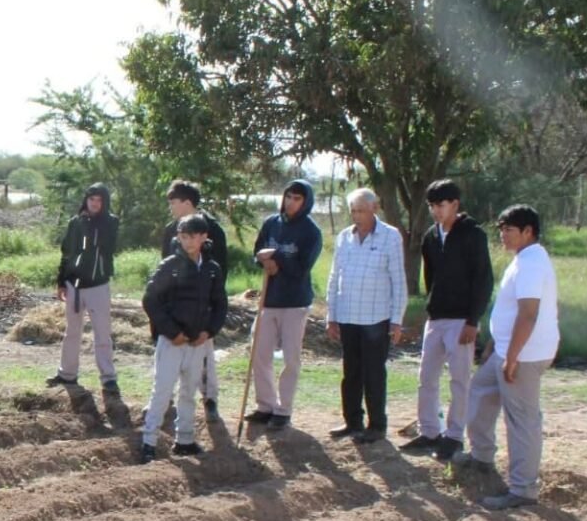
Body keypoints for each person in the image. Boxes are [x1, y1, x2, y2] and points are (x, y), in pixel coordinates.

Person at [453, 205, 559, 510]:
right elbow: (512, 310)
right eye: (501, 229)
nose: (503, 235)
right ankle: (482, 456)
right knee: (481, 392)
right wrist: (496, 346)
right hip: (507, 350)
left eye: (509, 230)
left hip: (524, 356)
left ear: (528, 232)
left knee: (522, 420)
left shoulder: (532, 264)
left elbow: (528, 314)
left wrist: (511, 357)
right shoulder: (523, 260)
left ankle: (523, 490)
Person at [402, 180, 493, 460]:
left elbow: (483, 279)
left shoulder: (472, 234)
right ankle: (429, 431)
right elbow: (431, 278)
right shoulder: (431, 236)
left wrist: (472, 320)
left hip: (461, 318)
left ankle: (454, 436)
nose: (436, 211)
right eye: (432, 206)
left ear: (455, 204)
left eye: (441, 205)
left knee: (459, 379)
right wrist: (431, 306)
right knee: (426, 376)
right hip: (437, 316)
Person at [140, 214, 227, 462]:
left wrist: (208, 332)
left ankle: (185, 439)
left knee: (189, 391)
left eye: (192, 236)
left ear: (203, 237)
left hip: (197, 341)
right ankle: (149, 441)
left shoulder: (211, 269)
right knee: (162, 390)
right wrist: (170, 331)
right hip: (172, 341)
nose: (187, 241)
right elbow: (151, 300)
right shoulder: (170, 266)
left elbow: (220, 304)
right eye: (183, 236)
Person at [324, 188, 407, 443]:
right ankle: (352, 422)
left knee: (373, 373)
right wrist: (332, 315)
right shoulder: (344, 238)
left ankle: (377, 425)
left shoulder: (390, 236)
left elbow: (398, 280)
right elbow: (334, 277)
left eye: (361, 210)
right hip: (348, 315)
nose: (357, 216)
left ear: (375, 208)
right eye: (353, 211)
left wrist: (397, 320)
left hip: (376, 317)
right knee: (351, 372)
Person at [245, 179, 323, 430]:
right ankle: (265, 405)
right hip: (269, 300)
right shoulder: (271, 223)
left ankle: (283, 409)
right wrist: (262, 261)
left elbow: (301, 269)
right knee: (259, 353)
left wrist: (276, 258)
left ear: (306, 202)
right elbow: (257, 250)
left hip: (295, 303)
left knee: (291, 358)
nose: (290, 203)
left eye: (297, 198)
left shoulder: (311, 232)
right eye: (288, 196)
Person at [160, 179, 230, 419]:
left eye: (174, 202)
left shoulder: (213, 229)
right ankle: (164, 400)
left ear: (187, 203)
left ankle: (210, 400)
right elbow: (163, 270)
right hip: (174, 309)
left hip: (202, 308)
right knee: (168, 354)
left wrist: (210, 312)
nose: (171, 207)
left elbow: (220, 271)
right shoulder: (171, 229)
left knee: (204, 357)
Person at [47, 183, 120, 393]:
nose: (95, 204)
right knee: (72, 331)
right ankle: (67, 374)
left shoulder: (111, 222)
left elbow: (104, 245)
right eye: (91, 199)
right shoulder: (75, 222)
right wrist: (61, 281)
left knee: (102, 332)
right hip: (75, 286)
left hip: (98, 285)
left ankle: (108, 378)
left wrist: (92, 223)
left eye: (99, 200)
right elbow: (66, 253)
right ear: (85, 200)